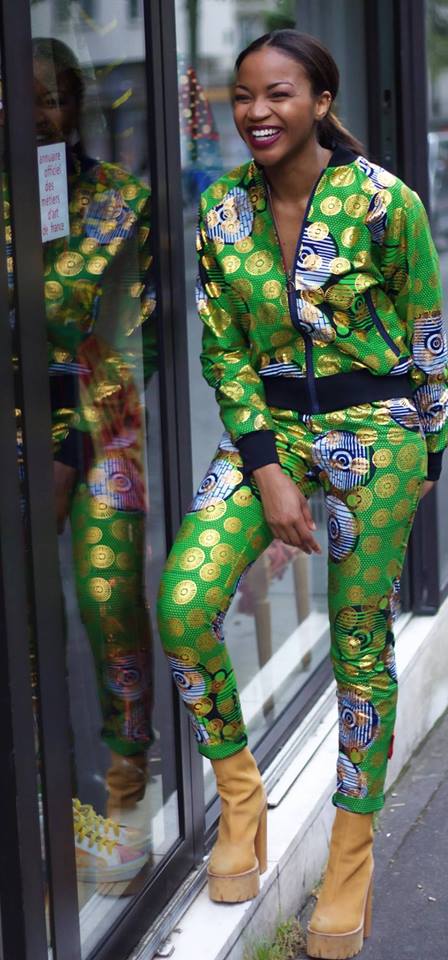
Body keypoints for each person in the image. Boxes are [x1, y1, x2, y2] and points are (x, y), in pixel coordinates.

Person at [157, 28, 448, 959]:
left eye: (278, 93)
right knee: (184, 607)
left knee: (358, 639)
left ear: (320, 102)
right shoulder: (222, 212)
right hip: (270, 433)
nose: (256, 111)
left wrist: (429, 457)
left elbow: (427, 333)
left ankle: (349, 859)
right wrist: (267, 469)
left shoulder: (384, 202)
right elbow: (222, 351)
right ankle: (241, 797)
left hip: (379, 433)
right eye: (244, 94)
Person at [28, 38, 157, 888]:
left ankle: (125, 795)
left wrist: (71, 446)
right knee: (25, 615)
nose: (32, 115)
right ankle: (45, 806)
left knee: (108, 596)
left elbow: (134, 335)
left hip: (101, 420)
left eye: (49, 96)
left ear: (77, 105)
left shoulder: (120, 202)